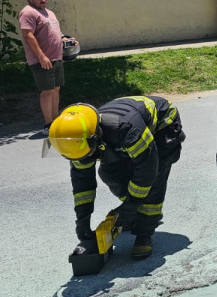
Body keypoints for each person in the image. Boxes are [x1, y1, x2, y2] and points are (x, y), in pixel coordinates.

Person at [48, 96, 185, 260]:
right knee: (109, 173)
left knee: (154, 178)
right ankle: (134, 214)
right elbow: (82, 185)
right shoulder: (79, 140)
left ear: (96, 137)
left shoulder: (127, 129)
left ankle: (145, 231)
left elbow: (147, 168)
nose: (85, 158)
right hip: (124, 128)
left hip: (163, 126)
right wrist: (82, 220)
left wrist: (131, 204)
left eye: (88, 153)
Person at [18, 0, 77, 133]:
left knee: (56, 89)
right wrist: (41, 55)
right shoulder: (28, 12)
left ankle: (56, 121)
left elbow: (54, 32)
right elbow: (28, 35)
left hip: (56, 57)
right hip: (41, 60)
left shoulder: (49, 13)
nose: (43, 0)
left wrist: (66, 39)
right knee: (47, 91)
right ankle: (48, 124)